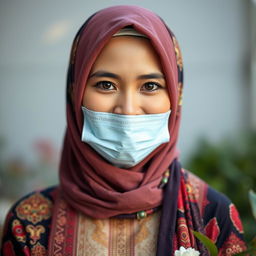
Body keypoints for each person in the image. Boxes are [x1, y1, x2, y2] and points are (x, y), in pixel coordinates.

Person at [1, 5, 246, 256]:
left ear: (175, 96)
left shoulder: (212, 216)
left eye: (150, 86)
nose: (128, 109)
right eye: (106, 84)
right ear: (75, 94)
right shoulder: (28, 223)